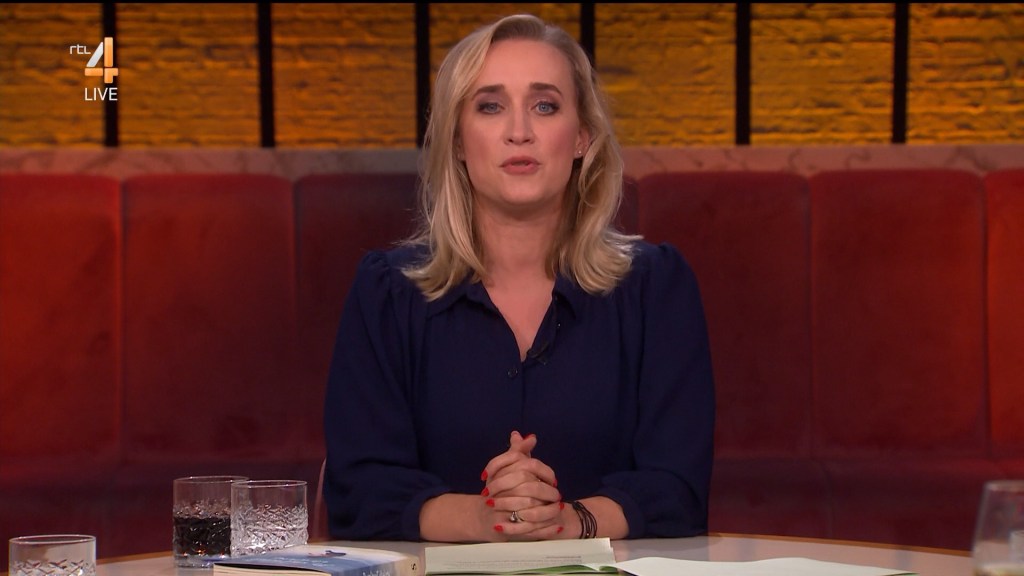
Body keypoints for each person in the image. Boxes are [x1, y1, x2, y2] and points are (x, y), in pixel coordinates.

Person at [323, 13, 714, 543]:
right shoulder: (388, 294)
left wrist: (567, 520)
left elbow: (677, 488)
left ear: (582, 136)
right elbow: (360, 490)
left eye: (544, 105)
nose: (519, 131)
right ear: (457, 141)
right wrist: (485, 518)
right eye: (490, 106)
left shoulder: (655, 288)